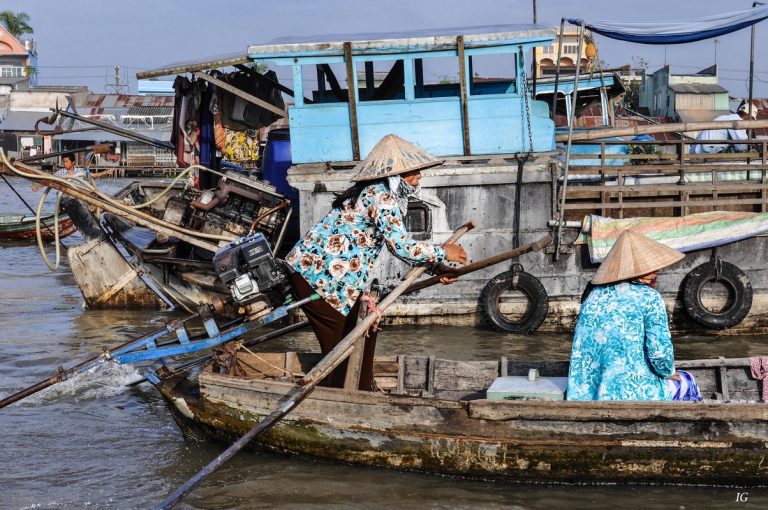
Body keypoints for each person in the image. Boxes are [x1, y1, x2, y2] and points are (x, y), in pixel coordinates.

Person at [285, 134, 467, 391]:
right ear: (394, 174)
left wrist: (436, 268)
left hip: (335, 283)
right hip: (317, 278)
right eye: (412, 171)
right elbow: (400, 245)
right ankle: (340, 398)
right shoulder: (379, 195)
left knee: (365, 329)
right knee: (340, 349)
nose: (419, 176)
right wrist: (443, 252)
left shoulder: (383, 195)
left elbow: (398, 244)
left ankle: (362, 389)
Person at [567, 229, 696, 401]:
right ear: (636, 270)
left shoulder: (593, 295)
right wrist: (667, 372)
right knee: (688, 381)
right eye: (650, 266)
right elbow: (659, 352)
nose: (656, 271)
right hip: (633, 393)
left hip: (584, 393)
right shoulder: (649, 297)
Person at [690, 100, 758, 155]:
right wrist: (752, 146)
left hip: (695, 151)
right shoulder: (737, 122)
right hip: (706, 152)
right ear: (747, 118)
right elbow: (741, 146)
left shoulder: (724, 117)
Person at [32, 153, 114, 191]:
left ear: (73, 162)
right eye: (64, 162)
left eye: (67, 162)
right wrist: (39, 186)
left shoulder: (79, 171)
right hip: (65, 197)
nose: (65, 164)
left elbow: (92, 175)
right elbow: (50, 180)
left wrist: (105, 172)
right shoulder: (61, 173)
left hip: (78, 195)